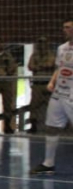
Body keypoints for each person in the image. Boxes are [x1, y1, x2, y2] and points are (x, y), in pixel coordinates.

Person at [32, 19, 73, 175]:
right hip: (58, 93)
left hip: (71, 95)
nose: (65, 30)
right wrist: (52, 81)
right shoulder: (62, 48)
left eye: (69, 28)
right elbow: (59, 67)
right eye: (64, 27)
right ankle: (48, 163)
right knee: (52, 127)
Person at [28, 35, 55, 134]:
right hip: (37, 84)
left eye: (43, 42)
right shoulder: (34, 55)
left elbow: (50, 64)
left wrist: (38, 66)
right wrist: (42, 66)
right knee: (34, 105)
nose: (42, 45)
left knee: (51, 106)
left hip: (47, 84)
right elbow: (30, 66)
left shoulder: (51, 54)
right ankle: (33, 125)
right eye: (40, 43)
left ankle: (51, 126)